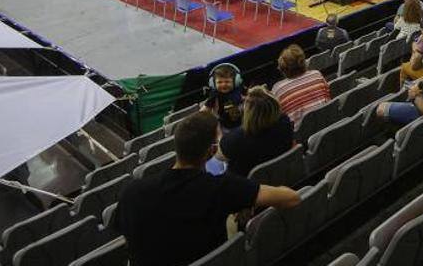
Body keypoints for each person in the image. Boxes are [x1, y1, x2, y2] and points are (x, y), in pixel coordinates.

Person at [113, 112, 300, 266]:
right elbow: (292, 198)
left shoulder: (131, 192)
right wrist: (246, 199)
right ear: (211, 151)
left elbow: (128, 240)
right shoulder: (223, 188)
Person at [217, 87, 293, 178]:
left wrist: (218, 134)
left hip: (250, 187)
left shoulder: (234, 140)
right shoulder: (285, 121)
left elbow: (219, 157)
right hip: (285, 175)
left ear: (248, 112)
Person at [271, 45, 331, 128]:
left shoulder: (278, 89)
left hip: (300, 136)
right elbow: (328, 98)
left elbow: (279, 120)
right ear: (303, 62)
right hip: (326, 124)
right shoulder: (317, 75)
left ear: (283, 68)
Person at [201, 63, 246, 131]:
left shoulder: (239, 89)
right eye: (219, 82)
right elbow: (204, 110)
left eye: (227, 82)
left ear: (236, 81)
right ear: (213, 83)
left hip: (244, 121)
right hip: (225, 127)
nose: (224, 84)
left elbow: (250, 95)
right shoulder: (214, 95)